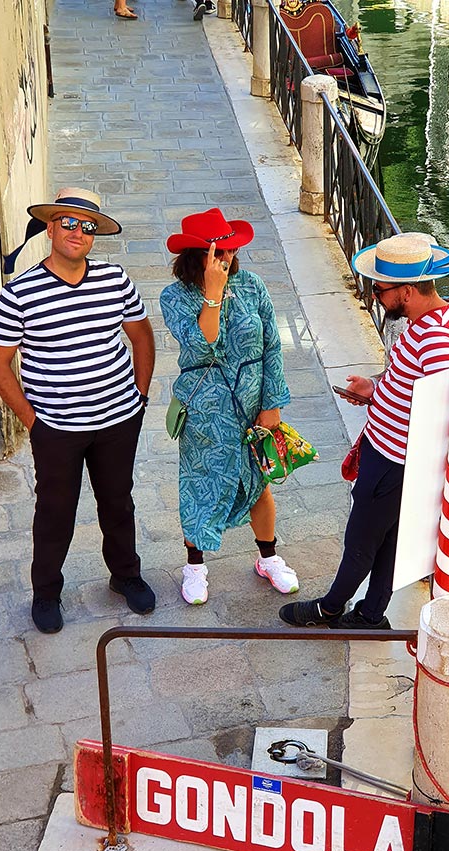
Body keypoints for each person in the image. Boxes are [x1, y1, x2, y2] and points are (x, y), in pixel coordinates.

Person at [0, 187, 156, 634]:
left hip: (119, 419)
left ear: (94, 235)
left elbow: (141, 335)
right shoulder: (18, 294)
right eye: (68, 222)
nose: (77, 232)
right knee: (55, 512)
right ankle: (46, 593)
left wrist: (138, 396)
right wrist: (33, 422)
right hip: (56, 429)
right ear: (50, 228)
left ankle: (126, 575)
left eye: (87, 226)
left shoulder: (115, 279)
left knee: (118, 502)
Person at [279, 231, 449, 630]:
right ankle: (371, 615)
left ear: (407, 291)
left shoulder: (437, 343)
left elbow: (442, 411)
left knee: (361, 541)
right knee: (390, 541)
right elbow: (412, 387)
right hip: (389, 455)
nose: (375, 296)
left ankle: (330, 609)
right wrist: (375, 389)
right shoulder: (429, 322)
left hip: (393, 462)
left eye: (380, 291)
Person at [160, 207, 298, 606]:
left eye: (230, 250)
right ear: (196, 256)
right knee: (200, 484)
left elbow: (272, 346)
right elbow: (203, 342)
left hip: (253, 404)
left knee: (258, 483)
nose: (227, 258)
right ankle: (194, 566)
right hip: (206, 411)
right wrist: (213, 293)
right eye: (217, 252)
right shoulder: (174, 297)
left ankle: (268, 558)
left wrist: (272, 403)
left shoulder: (252, 286)